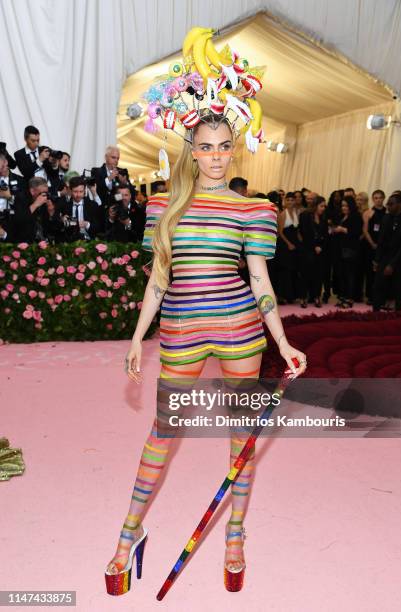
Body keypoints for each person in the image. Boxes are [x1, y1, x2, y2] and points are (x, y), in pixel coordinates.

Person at [104, 112, 307, 594]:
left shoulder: (253, 210)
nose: (215, 156)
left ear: (233, 149)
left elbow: (259, 278)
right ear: (192, 150)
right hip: (181, 329)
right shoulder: (164, 206)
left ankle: (234, 535)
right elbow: (159, 277)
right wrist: (137, 336)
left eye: (223, 147)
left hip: (241, 328)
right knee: (161, 432)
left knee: (241, 439)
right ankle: (129, 534)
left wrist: (282, 340)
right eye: (206, 146)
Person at [372, 192, 401, 311]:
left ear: (400, 205)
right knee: (378, 285)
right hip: (384, 257)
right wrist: (377, 260)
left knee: (399, 288)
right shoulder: (386, 218)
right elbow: (380, 241)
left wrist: (392, 265)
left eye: (391, 204)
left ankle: (398, 315)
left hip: (400, 259)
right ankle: (375, 313)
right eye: (387, 204)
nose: (388, 206)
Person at [333, 196, 363, 308]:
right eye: (342, 205)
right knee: (342, 275)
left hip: (351, 250)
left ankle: (350, 299)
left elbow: (357, 232)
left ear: (351, 206)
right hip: (341, 249)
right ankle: (343, 297)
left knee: (350, 275)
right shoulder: (342, 216)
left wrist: (343, 229)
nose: (344, 207)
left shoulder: (356, 216)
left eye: (346, 205)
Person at [298, 196, 328, 307]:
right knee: (305, 274)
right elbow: (304, 233)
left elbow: (325, 235)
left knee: (318, 275)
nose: (323, 208)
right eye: (321, 206)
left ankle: (316, 297)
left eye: (324, 206)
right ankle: (303, 298)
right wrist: (314, 246)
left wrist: (321, 247)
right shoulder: (305, 215)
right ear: (315, 205)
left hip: (320, 251)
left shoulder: (324, 218)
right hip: (307, 250)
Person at [362, 190, 387, 304]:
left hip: (384, 247)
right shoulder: (368, 213)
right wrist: (372, 243)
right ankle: (371, 297)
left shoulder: (388, 212)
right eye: (376, 198)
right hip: (371, 246)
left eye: (380, 197)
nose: (378, 200)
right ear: (373, 199)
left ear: (383, 198)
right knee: (370, 272)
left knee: (382, 272)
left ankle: (382, 296)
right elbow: (365, 230)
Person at [276, 192, 301, 304]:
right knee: (285, 271)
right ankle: (283, 296)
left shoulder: (297, 212)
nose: (290, 202)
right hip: (285, 245)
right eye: (288, 200)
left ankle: (292, 295)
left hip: (295, 244)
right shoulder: (282, 214)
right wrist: (288, 244)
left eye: (292, 200)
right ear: (285, 201)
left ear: (295, 201)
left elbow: (298, 230)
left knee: (293, 270)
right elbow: (280, 232)